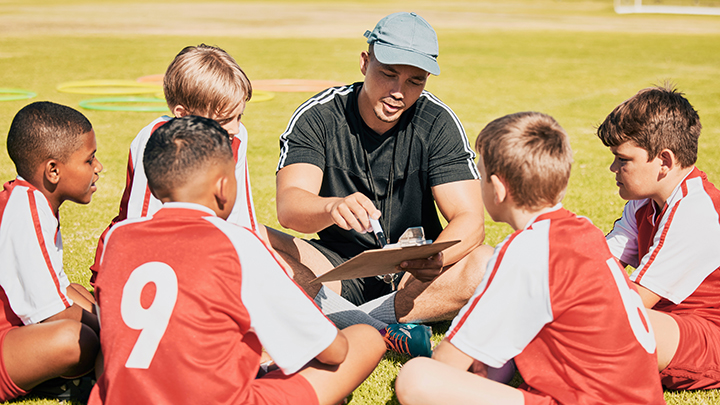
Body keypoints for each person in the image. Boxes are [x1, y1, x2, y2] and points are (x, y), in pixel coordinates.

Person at [89, 116, 385, 405]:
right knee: (365, 338)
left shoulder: (118, 238)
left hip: (121, 395)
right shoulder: (236, 241)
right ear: (223, 186)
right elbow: (331, 351)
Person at [395, 112, 666, 405]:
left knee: (417, 377)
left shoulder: (524, 250)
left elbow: (449, 360)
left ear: (497, 189)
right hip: (642, 396)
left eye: (481, 176)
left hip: (588, 399)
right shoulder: (583, 229)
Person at [270, 11, 492, 358]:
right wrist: (331, 206)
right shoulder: (319, 116)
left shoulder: (437, 121)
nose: (398, 92)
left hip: (413, 278)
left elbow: (470, 219)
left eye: (414, 81)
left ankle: (348, 322)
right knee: (255, 241)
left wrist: (435, 257)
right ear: (364, 62)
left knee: (485, 262)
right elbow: (290, 208)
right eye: (388, 74)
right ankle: (384, 329)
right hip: (336, 268)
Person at [89, 43, 258, 285]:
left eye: (239, 116)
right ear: (183, 114)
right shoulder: (158, 139)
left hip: (203, 257)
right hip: (132, 266)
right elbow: (140, 227)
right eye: (224, 120)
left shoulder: (236, 138)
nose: (236, 127)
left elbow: (242, 220)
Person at [599, 85, 720, 390]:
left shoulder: (696, 211)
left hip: (708, 338)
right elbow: (599, 265)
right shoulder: (643, 201)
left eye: (623, 160)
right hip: (667, 324)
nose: (613, 168)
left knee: (608, 323)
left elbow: (634, 303)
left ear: (664, 161)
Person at [0, 101, 102, 401]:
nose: (98, 168)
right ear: (53, 171)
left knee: (78, 292)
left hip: (13, 333)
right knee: (76, 339)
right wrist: (118, 332)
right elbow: (52, 315)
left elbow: (60, 290)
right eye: (89, 160)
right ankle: (56, 380)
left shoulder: (30, 200)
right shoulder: (28, 212)